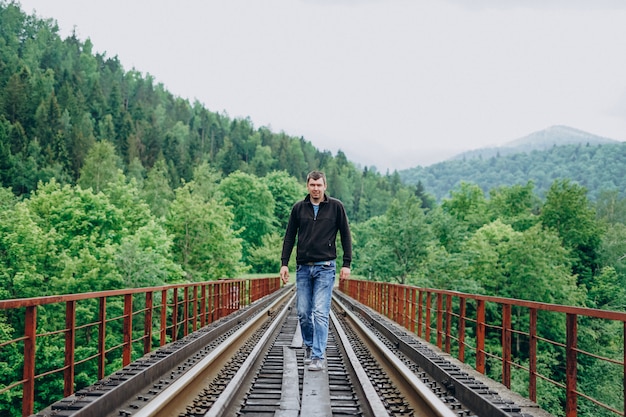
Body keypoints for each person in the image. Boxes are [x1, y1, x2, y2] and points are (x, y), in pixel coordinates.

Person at [280, 170, 352, 371]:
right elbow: (289, 237)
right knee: (303, 313)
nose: (316, 189)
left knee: (320, 312)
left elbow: (345, 235)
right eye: (312, 185)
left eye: (319, 185)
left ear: (325, 186)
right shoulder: (298, 209)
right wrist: (284, 263)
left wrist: (347, 264)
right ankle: (310, 347)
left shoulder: (336, 207)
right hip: (303, 268)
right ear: (307, 186)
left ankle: (319, 356)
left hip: (326, 268)